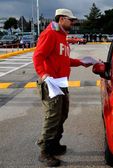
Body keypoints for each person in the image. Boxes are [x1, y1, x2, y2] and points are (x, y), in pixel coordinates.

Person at [33, 8, 92, 167]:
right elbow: (38, 56)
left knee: (62, 115)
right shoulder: (50, 34)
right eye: (70, 20)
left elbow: (64, 60)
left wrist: (82, 62)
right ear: (61, 19)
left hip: (61, 83)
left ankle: (54, 144)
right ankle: (45, 151)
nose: (72, 23)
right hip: (51, 83)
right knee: (52, 117)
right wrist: (44, 75)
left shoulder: (62, 37)